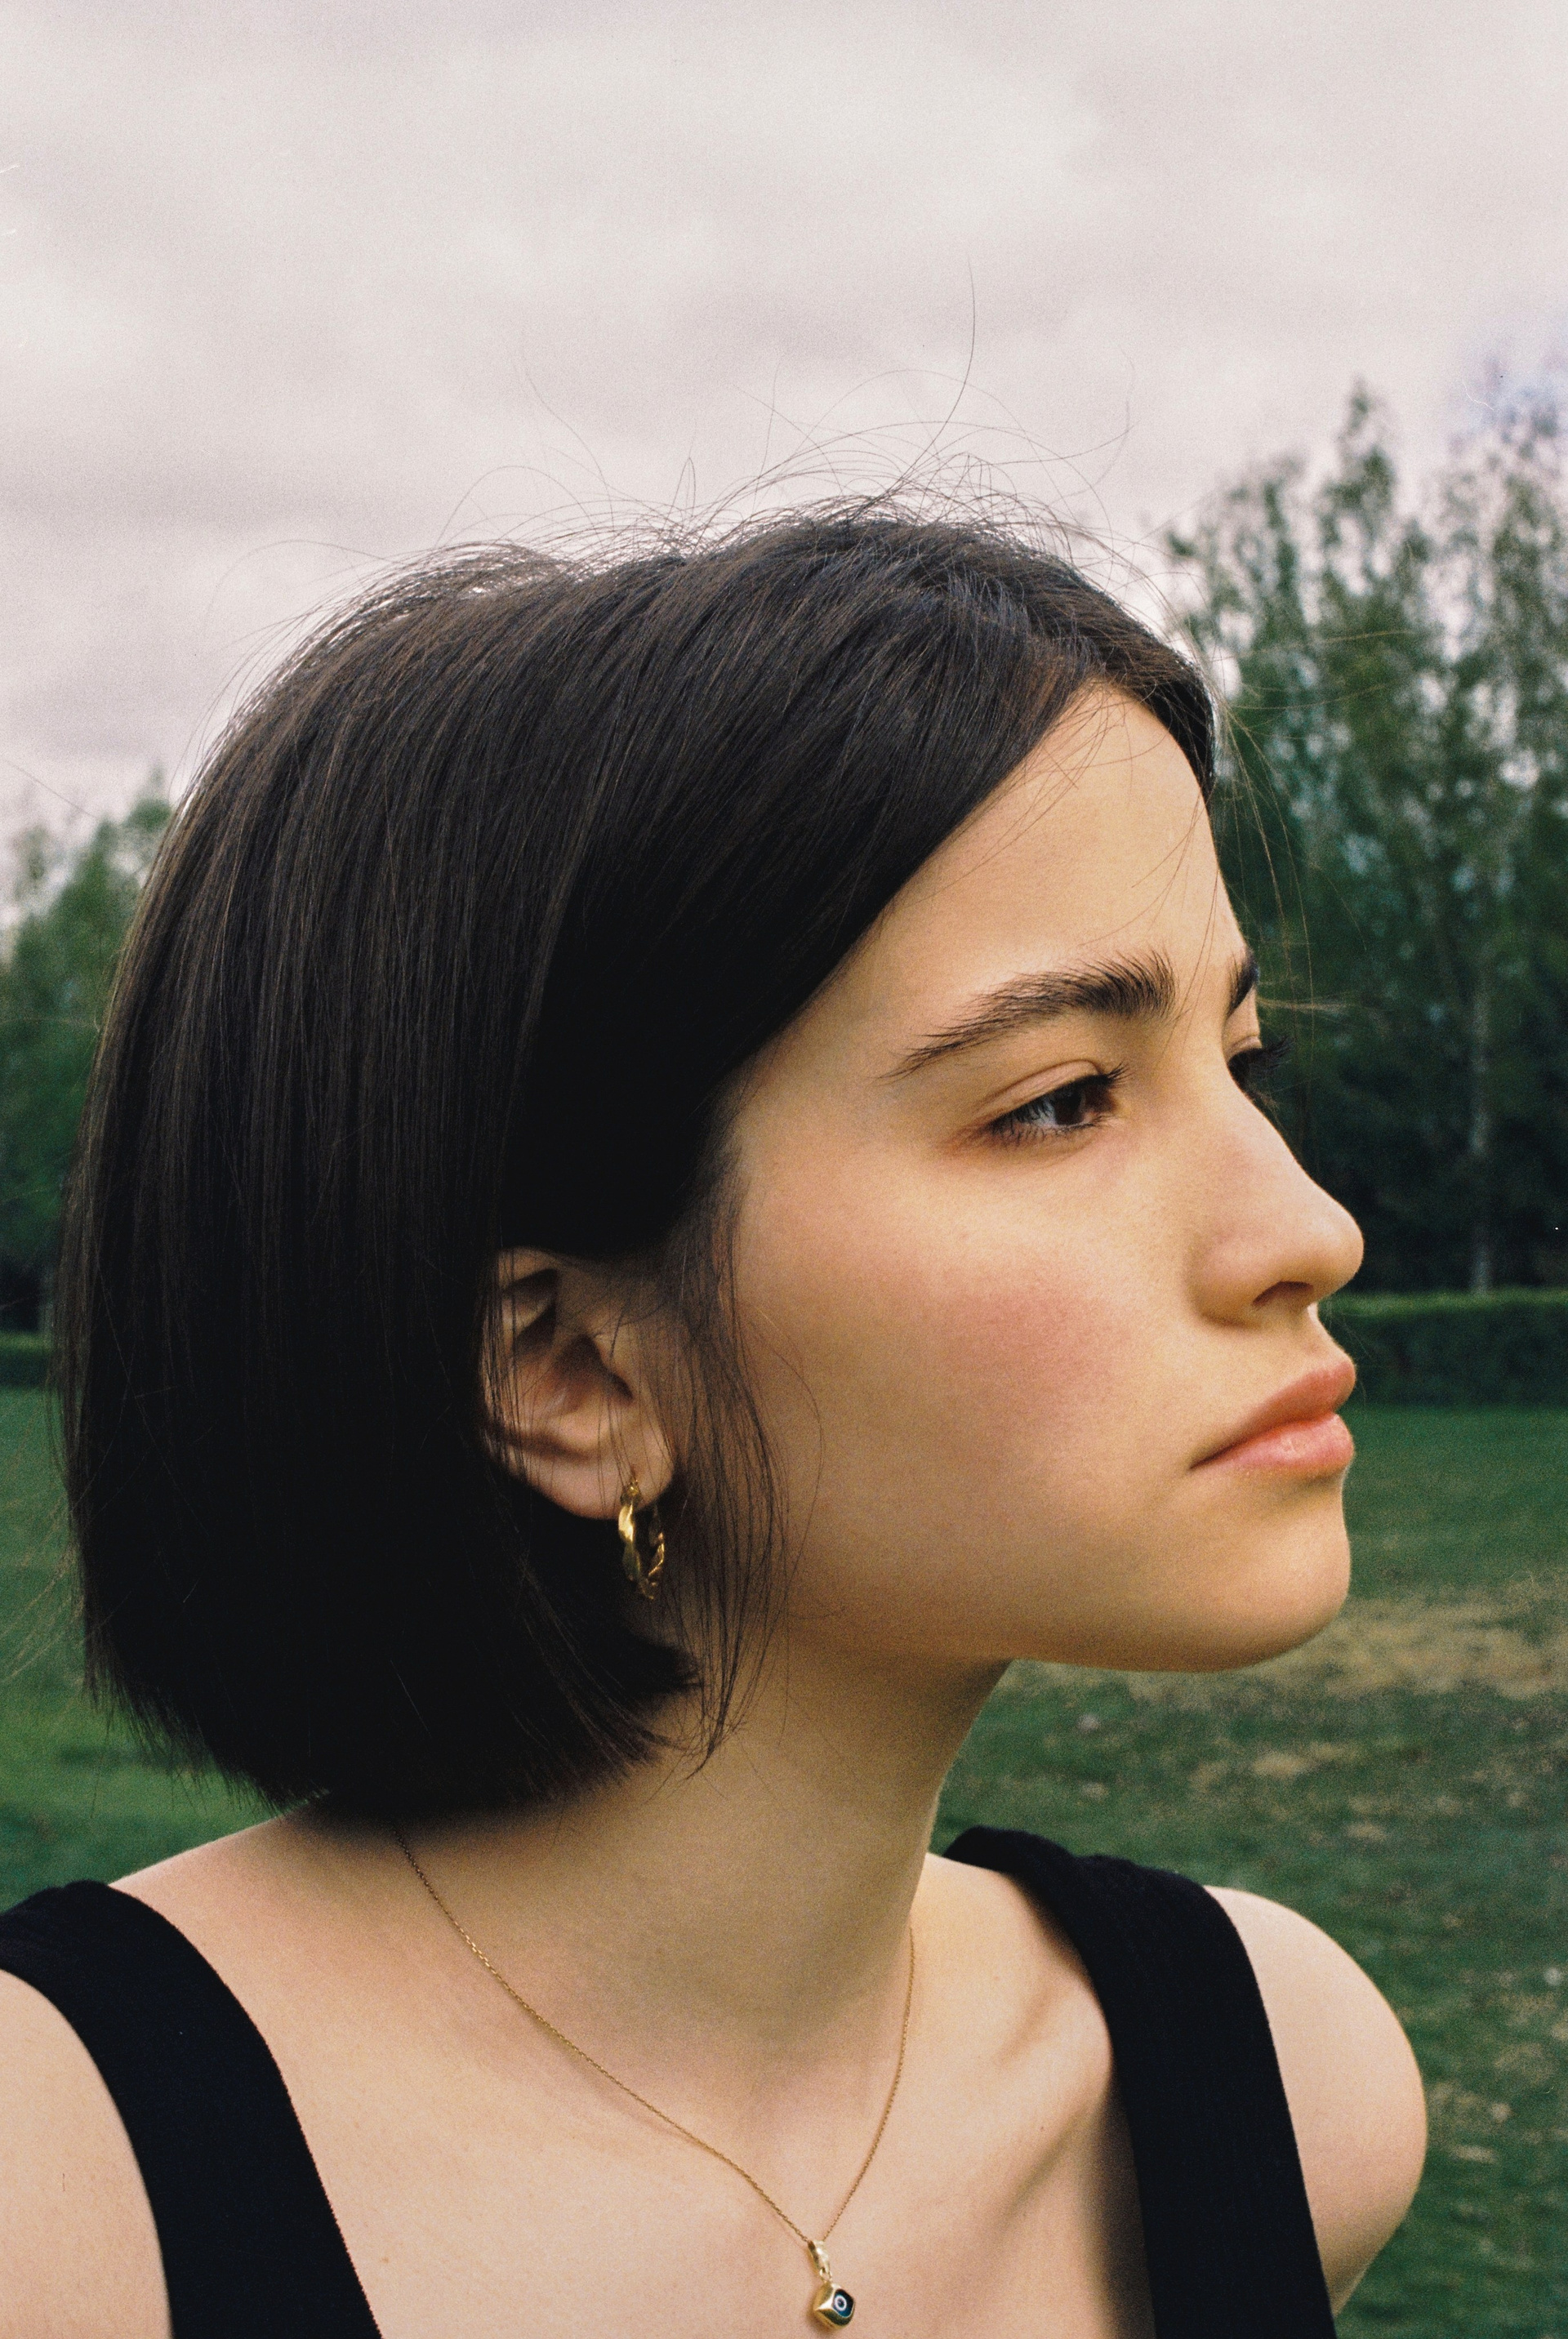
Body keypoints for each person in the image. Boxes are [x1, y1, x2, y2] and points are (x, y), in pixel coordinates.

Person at [0, 510, 1425, 2338]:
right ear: (569, 1372)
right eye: (1065, 1100)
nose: (1311, 1229)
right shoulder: (62, 2210)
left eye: (1239, 1062)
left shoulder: (1282, 2095)